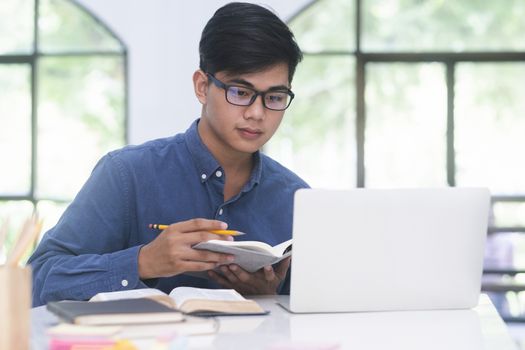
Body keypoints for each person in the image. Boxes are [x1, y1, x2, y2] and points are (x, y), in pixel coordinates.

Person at [29, 2, 307, 307]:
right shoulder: (126, 174)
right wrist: (143, 262)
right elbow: (36, 281)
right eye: (240, 92)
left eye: (275, 97)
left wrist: (267, 298)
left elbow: (318, 315)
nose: (257, 113)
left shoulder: (297, 199)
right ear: (202, 87)